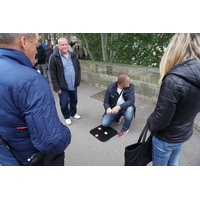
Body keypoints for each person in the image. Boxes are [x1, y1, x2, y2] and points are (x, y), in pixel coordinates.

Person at [0, 33, 71, 166]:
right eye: (36, 44)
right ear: (24, 41)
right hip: (30, 159)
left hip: (7, 156)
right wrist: (65, 132)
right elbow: (52, 142)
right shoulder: (30, 80)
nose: (36, 50)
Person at [147, 33, 200, 166]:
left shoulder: (173, 80)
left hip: (166, 138)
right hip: (184, 134)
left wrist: (150, 125)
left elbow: (161, 119)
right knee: (173, 161)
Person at [49, 37, 81, 125]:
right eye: (62, 45)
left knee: (74, 100)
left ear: (68, 44)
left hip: (73, 84)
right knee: (64, 103)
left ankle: (73, 113)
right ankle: (66, 116)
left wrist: (78, 79)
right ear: (58, 46)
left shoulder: (73, 55)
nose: (64, 46)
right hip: (62, 86)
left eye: (66, 44)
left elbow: (78, 68)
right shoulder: (54, 57)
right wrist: (56, 87)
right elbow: (53, 74)